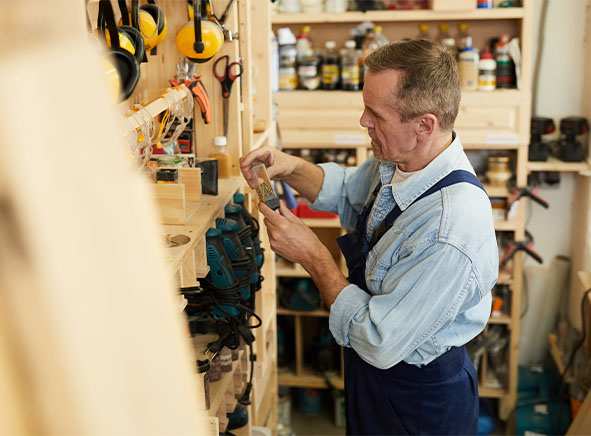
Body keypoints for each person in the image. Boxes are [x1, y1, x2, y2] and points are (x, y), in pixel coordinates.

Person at [240, 39, 498, 435]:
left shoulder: (449, 229)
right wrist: (290, 167)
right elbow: (347, 190)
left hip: (418, 398)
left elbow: (378, 338)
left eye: (375, 114)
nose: (363, 121)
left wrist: (313, 256)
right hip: (374, 377)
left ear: (424, 125)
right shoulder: (402, 160)